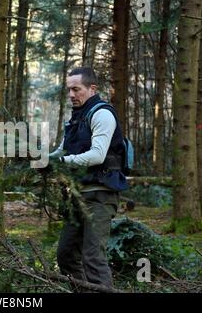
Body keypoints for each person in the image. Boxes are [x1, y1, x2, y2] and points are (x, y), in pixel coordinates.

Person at [48, 67, 128, 288]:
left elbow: (97, 155)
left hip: (100, 195)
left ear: (92, 88)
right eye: (69, 90)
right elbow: (61, 152)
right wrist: (41, 159)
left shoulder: (102, 114)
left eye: (76, 89)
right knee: (65, 255)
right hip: (78, 197)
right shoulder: (75, 118)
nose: (72, 95)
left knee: (93, 258)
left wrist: (60, 162)